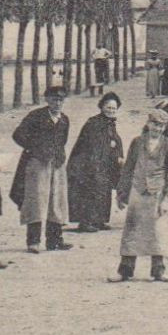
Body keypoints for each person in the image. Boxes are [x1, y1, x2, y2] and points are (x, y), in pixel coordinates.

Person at [110, 109, 168, 282]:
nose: (158, 128)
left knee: (158, 231)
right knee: (132, 230)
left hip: (158, 192)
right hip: (138, 189)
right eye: (155, 124)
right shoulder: (137, 142)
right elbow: (128, 168)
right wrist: (122, 193)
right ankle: (125, 270)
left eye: (161, 126)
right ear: (148, 124)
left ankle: (158, 270)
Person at [11, 82, 73, 253]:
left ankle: (55, 241)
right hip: (37, 164)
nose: (57, 103)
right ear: (47, 100)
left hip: (57, 164)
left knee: (57, 201)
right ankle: (33, 242)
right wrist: (35, 148)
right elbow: (18, 135)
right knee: (36, 202)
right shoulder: (35, 116)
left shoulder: (64, 120)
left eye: (61, 100)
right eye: (54, 100)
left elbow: (63, 141)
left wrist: (59, 154)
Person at [66, 92, 125, 233]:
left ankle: (99, 220)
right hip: (89, 164)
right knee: (89, 191)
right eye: (108, 107)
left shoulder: (110, 123)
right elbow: (89, 145)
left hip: (104, 164)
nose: (111, 110)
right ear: (102, 107)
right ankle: (85, 222)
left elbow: (112, 143)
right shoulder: (93, 123)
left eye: (114, 108)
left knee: (103, 191)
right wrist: (94, 165)